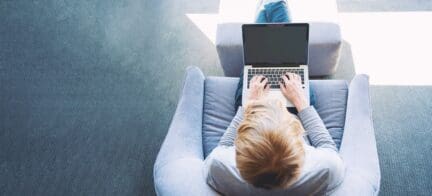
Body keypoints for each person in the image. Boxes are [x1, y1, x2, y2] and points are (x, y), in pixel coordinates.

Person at [203, 0, 345, 195]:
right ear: (299, 149)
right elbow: (328, 147)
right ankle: (275, 4)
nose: (275, 105)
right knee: (291, 59)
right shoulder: (324, 170)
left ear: (240, 156)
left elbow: (222, 147)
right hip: (297, 108)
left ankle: (267, 6)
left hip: (252, 105)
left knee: (256, 62)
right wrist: (301, 105)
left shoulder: (219, 167)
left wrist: (249, 105)